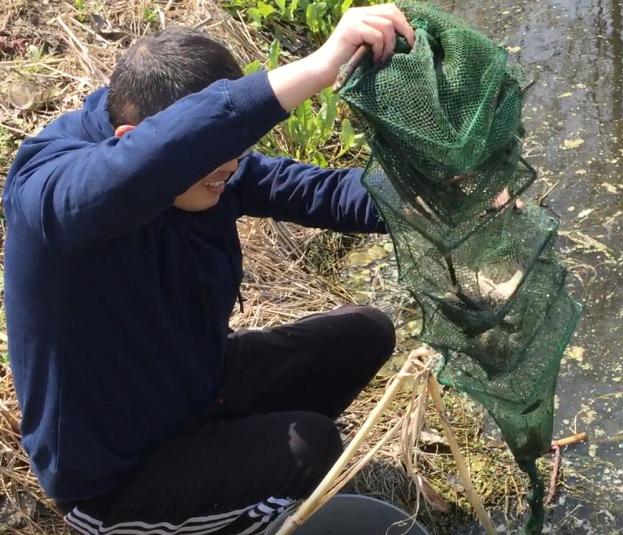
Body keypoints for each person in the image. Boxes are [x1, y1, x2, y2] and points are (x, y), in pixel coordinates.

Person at [2, 5, 416, 534]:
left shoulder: (213, 167)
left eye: (237, 160)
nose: (234, 173)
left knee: (364, 333)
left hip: (193, 387)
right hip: (116, 476)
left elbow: (320, 191)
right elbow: (116, 182)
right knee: (310, 447)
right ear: (134, 139)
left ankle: (240, 476)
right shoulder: (52, 193)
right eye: (217, 166)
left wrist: (438, 198)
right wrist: (314, 69)